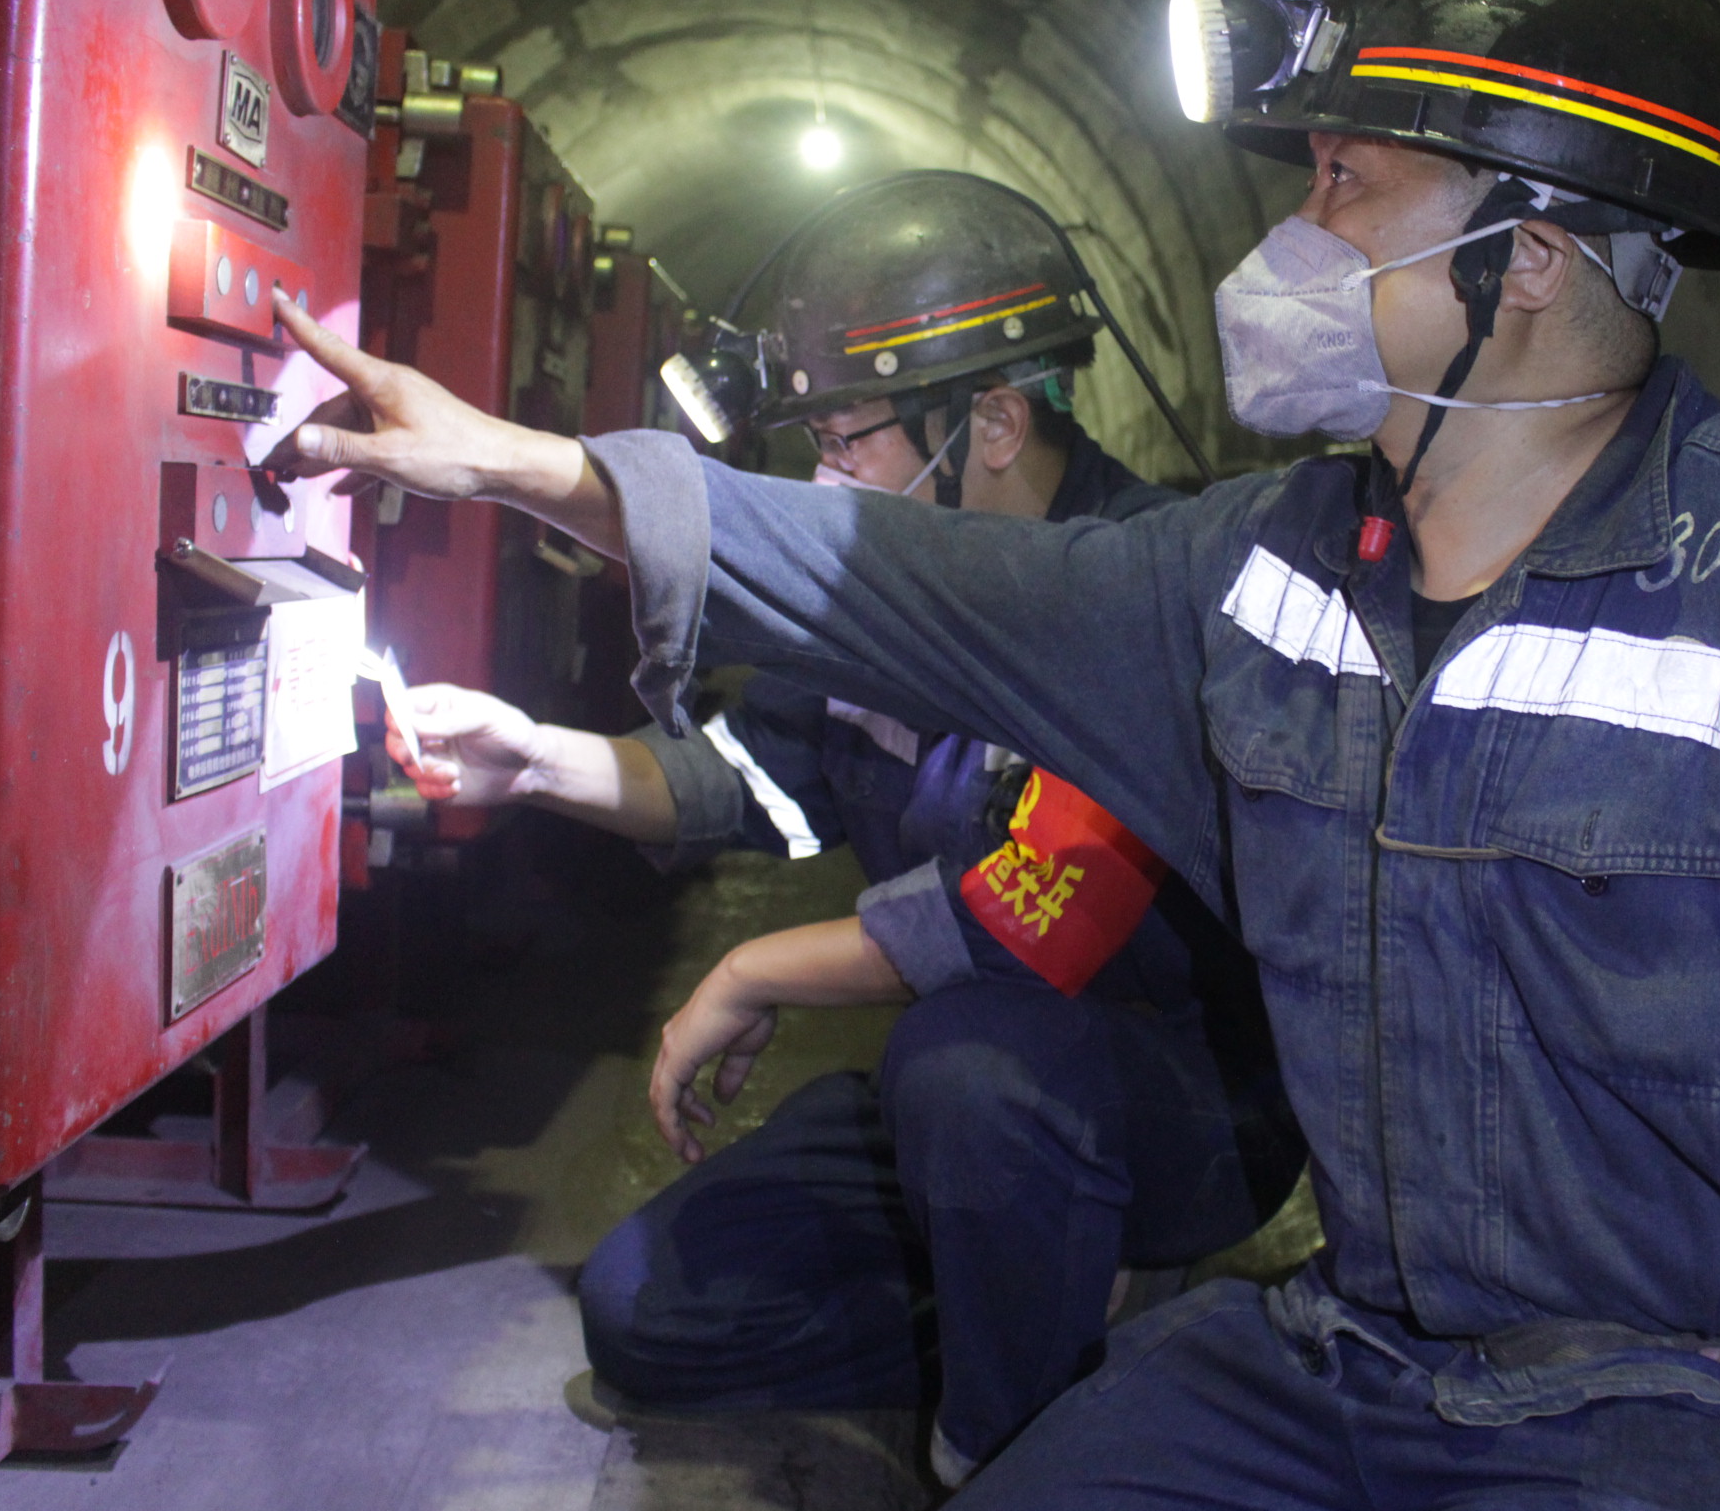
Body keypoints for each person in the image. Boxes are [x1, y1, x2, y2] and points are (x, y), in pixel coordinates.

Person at [274, 0, 1720, 1511]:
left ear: (1526, 259)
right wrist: (536, 470)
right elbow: (909, 580)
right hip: (1364, 1364)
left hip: (1695, 1409)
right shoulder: (1258, 572)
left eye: (1346, 192)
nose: (1289, 249)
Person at [375, 173, 1302, 1487]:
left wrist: (755, 967)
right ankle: (1046, 1309)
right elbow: (741, 776)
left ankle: (1007, 1454)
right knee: (646, 1313)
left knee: (965, 1065)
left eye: (846, 440)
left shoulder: (1140, 586)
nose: (823, 478)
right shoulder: (883, 586)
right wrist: (531, 762)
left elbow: (1029, 916)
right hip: (961, 1120)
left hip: (1154, 1103)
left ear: (990, 420)